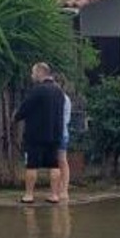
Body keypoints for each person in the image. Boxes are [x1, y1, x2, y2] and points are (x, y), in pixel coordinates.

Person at [13, 62, 65, 204]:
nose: (31, 75)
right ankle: (54, 195)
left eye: (33, 73)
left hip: (36, 134)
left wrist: (16, 117)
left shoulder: (37, 90)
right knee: (54, 165)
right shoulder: (59, 91)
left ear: (40, 73)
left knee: (32, 165)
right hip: (55, 134)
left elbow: (24, 109)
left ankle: (29, 195)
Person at [54, 74, 73, 202]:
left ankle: (64, 190)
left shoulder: (63, 99)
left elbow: (64, 119)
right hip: (52, 133)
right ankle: (57, 190)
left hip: (60, 133)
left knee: (61, 160)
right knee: (55, 162)